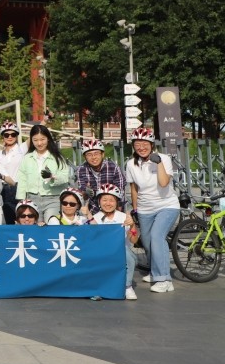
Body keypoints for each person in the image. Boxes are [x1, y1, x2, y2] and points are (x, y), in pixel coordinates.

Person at [125, 127, 179, 293]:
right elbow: (134, 188)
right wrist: (135, 209)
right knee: (147, 242)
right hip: (144, 208)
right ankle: (155, 270)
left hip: (166, 205)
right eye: (137, 144)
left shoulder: (164, 158)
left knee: (157, 237)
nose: (141, 147)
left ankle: (164, 279)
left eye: (145, 143)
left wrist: (159, 162)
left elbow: (163, 183)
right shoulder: (131, 164)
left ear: (151, 144)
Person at [92, 183, 140, 300]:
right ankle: (97, 287)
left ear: (117, 202)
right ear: (99, 202)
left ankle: (127, 286)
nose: (108, 203)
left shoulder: (124, 217)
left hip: (122, 252)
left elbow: (134, 240)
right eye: (104, 200)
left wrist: (132, 225)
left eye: (111, 200)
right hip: (102, 253)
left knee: (128, 255)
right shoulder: (95, 218)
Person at [16, 124, 70, 223]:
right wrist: (21, 200)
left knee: (51, 224)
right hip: (32, 199)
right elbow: (22, 180)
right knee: (36, 227)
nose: (39, 143)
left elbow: (65, 177)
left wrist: (52, 177)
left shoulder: (58, 158)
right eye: (35, 140)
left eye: (42, 139)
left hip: (53, 199)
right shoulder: (27, 158)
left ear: (48, 139)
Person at [74, 139, 127, 216]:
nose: (93, 157)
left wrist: (118, 215)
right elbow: (83, 196)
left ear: (102, 154)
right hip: (93, 210)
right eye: (89, 155)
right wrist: (86, 192)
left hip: (113, 209)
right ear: (84, 157)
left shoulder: (113, 167)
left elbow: (121, 192)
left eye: (96, 153)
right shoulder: (81, 170)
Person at [0, 121, 25, 224]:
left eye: (13, 134)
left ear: (17, 136)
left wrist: (45, 119)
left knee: (22, 218)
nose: (10, 137)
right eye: (6, 135)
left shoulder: (22, 149)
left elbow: (35, 134)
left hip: (19, 188)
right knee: (8, 220)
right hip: (3, 189)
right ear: (3, 137)